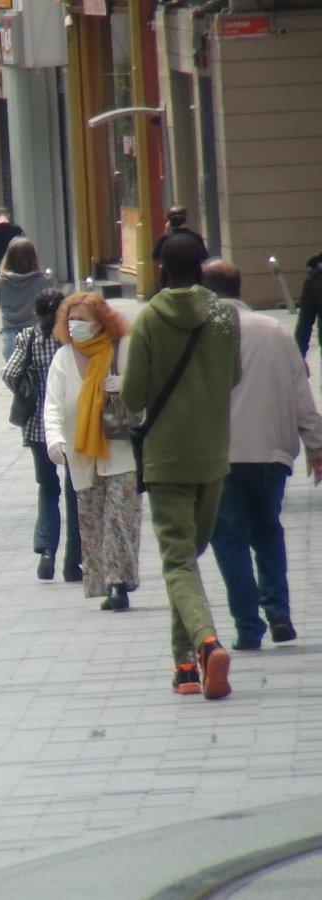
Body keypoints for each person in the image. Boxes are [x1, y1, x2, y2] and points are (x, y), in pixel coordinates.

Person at [121, 233, 241, 699]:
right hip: (213, 454)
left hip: (166, 457)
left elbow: (133, 396)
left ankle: (207, 645)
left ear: (160, 270)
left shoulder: (150, 318)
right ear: (204, 266)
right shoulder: (224, 314)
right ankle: (185, 667)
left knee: (176, 561)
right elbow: (233, 377)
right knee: (187, 560)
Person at [202, 260, 322, 649]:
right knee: (268, 529)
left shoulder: (202, 333)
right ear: (240, 287)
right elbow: (301, 396)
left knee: (229, 538)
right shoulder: (274, 331)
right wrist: (316, 447)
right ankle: (279, 612)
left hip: (221, 455)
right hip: (271, 452)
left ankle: (248, 624)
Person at [44, 292, 140, 611]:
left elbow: (146, 394)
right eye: (70, 320)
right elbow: (53, 407)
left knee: (119, 520)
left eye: (81, 320)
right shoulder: (63, 359)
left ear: (100, 322)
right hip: (82, 457)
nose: (74, 326)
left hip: (120, 453)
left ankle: (117, 584)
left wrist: (125, 385)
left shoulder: (121, 350)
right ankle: (106, 581)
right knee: (94, 521)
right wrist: (55, 440)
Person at [3, 289, 82, 584]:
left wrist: (29, 387)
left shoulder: (29, 338)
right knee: (76, 489)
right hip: (71, 424)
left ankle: (46, 550)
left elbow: (9, 372)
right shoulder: (71, 339)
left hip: (38, 425)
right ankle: (73, 560)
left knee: (47, 488)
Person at [0, 237, 49, 360]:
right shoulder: (42, 281)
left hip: (11, 334)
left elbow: (0, 303)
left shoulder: (1, 283)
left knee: (13, 375)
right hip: (36, 334)